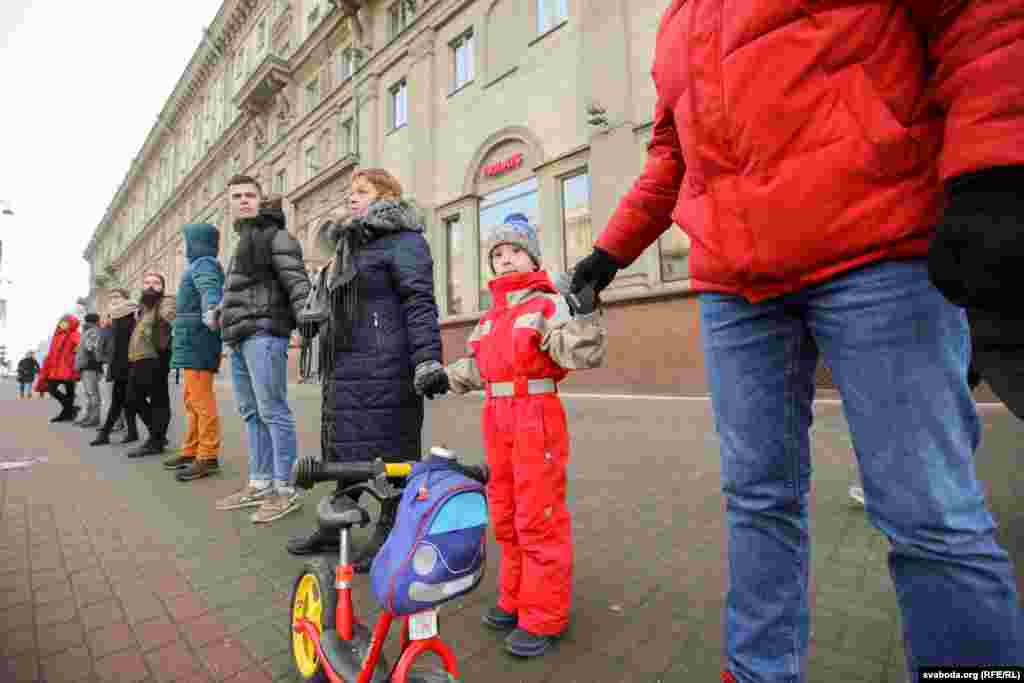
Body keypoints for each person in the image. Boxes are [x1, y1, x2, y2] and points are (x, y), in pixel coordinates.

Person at [568, 3, 1024, 679]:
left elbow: (980, 17)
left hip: (876, 248)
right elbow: (673, 157)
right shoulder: (678, 21)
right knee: (757, 499)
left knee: (928, 511)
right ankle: (758, 671)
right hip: (736, 286)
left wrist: (995, 170)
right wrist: (608, 252)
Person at [435, 213, 605, 658]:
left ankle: (544, 615)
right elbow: (475, 367)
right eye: (496, 253)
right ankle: (514, 598)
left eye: (513, 250)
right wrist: (441, 378)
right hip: (496, 416)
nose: (505, 258)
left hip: (535, 416)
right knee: (506, 513)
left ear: (531, 255)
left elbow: (579, 353)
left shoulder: (547, 305)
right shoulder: (491, 317)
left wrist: (586, 314)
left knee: (538, 514)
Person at [286, 168, 443, 567]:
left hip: (386, 365)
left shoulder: (405, 241)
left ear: (386, 195)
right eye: (349, 192)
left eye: (361, 191)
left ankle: (391, 532)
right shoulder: (349, 246)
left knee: (389, 454)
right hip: (345, 364)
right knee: (347, 447)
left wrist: (426, 359)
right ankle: (334, 527)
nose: (351, 198)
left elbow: (419, 301)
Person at [212, 175, 310, 524]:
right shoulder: (241, 242)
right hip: (238, 336)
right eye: (236, 196)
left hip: (266, 333)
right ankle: (260, 482)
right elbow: (240, 290)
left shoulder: (277, 236)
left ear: (260, 199)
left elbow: (297, 281)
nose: (243, 201)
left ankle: (285, 490)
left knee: (273, 411)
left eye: (249, 195)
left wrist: (308, 320)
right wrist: (220, 313)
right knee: (251, 413)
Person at [164, 223, 226, 481]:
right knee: (192, 399)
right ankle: (192, 449)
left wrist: (211, 310)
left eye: (187, 241)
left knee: (201, 401)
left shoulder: (204, 263)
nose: (185, 247)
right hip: (192, 340)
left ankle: (208, 455)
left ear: (196, 242)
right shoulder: (199, 264)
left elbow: (210, 290)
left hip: (199, 340)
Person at [124, 272, 176, 457]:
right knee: (133, 399)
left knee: (157, 400)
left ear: (163, 287)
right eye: (147, 283)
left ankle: (155, 440)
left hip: (155, 357)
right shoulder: (143, 308)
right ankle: (158, 435)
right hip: (140, 358)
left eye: (156, 283)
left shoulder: (165, 302)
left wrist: (165, 310)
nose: (151, 286)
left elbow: (170, 315)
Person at [92, 289, 140, 446]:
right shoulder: (111, 318)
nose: (113, 300)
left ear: (125, 298)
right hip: (118, 363)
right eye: (111, 297)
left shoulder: (133, 313)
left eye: (117, 297)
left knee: (130, 400)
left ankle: (156, 435)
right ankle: (131, 432)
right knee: (122, 400)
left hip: (132, 362)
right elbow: (107, 342)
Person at [35, 314, 81, 422]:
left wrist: (73, 354)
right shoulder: (57, 335)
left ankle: (66, 413)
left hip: (68, 368)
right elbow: (52, 353)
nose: (62, 324)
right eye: (61, 322)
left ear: (71, 324)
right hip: (56, 368)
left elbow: (80, 346)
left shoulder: (74, 334)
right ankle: (70, 410)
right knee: (52, 389)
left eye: (65, 322)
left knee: (69, 392)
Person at [72, 313, 104, 428]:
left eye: (87, 321)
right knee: (89, 394)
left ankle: (94, 418)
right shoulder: (89, 331)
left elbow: (91, 348)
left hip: (91, 366)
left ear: (91, 322)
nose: (84, 323)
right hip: (87, 366)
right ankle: (89, 417)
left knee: (92, 394)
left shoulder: (93, 331)